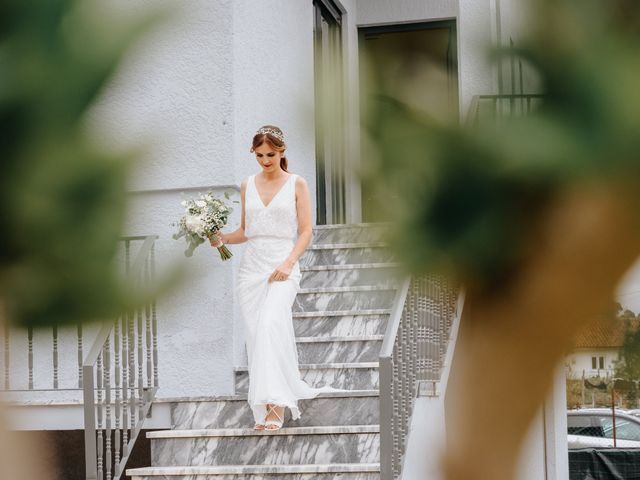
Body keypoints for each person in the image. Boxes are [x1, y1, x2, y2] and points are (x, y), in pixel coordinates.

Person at [210, 125, 347, 431]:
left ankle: (277, 407)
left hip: (283, 265)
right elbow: (245, 231)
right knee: (258, 336)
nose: (265, 160)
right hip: (252, 271)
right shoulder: (247, 185)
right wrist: (220, 239)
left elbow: (307, 230)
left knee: (272, 324)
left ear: (282, 151)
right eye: (259, 155)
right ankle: (266, 406)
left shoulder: (297, 184)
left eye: (270, 154)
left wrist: (288, 262)